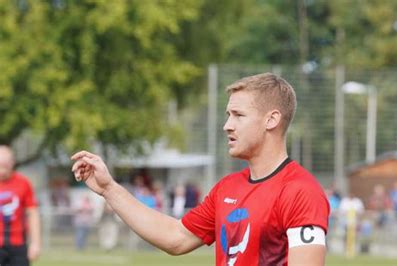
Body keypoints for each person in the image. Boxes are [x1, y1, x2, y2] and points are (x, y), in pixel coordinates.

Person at [71, 73, 329, 265]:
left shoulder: (300, 191)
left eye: (238, 115)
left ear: (271, 120)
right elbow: (176, 237)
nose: (227, 125)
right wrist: (109, 189)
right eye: (228, 115)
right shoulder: (227, 188)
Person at [0, 145, 41, 266]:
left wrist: (36, 243)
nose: (2, 170)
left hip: (18, 245)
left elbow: (33, 213)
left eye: (5, 166)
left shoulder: (23, 183)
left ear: (12, 163)